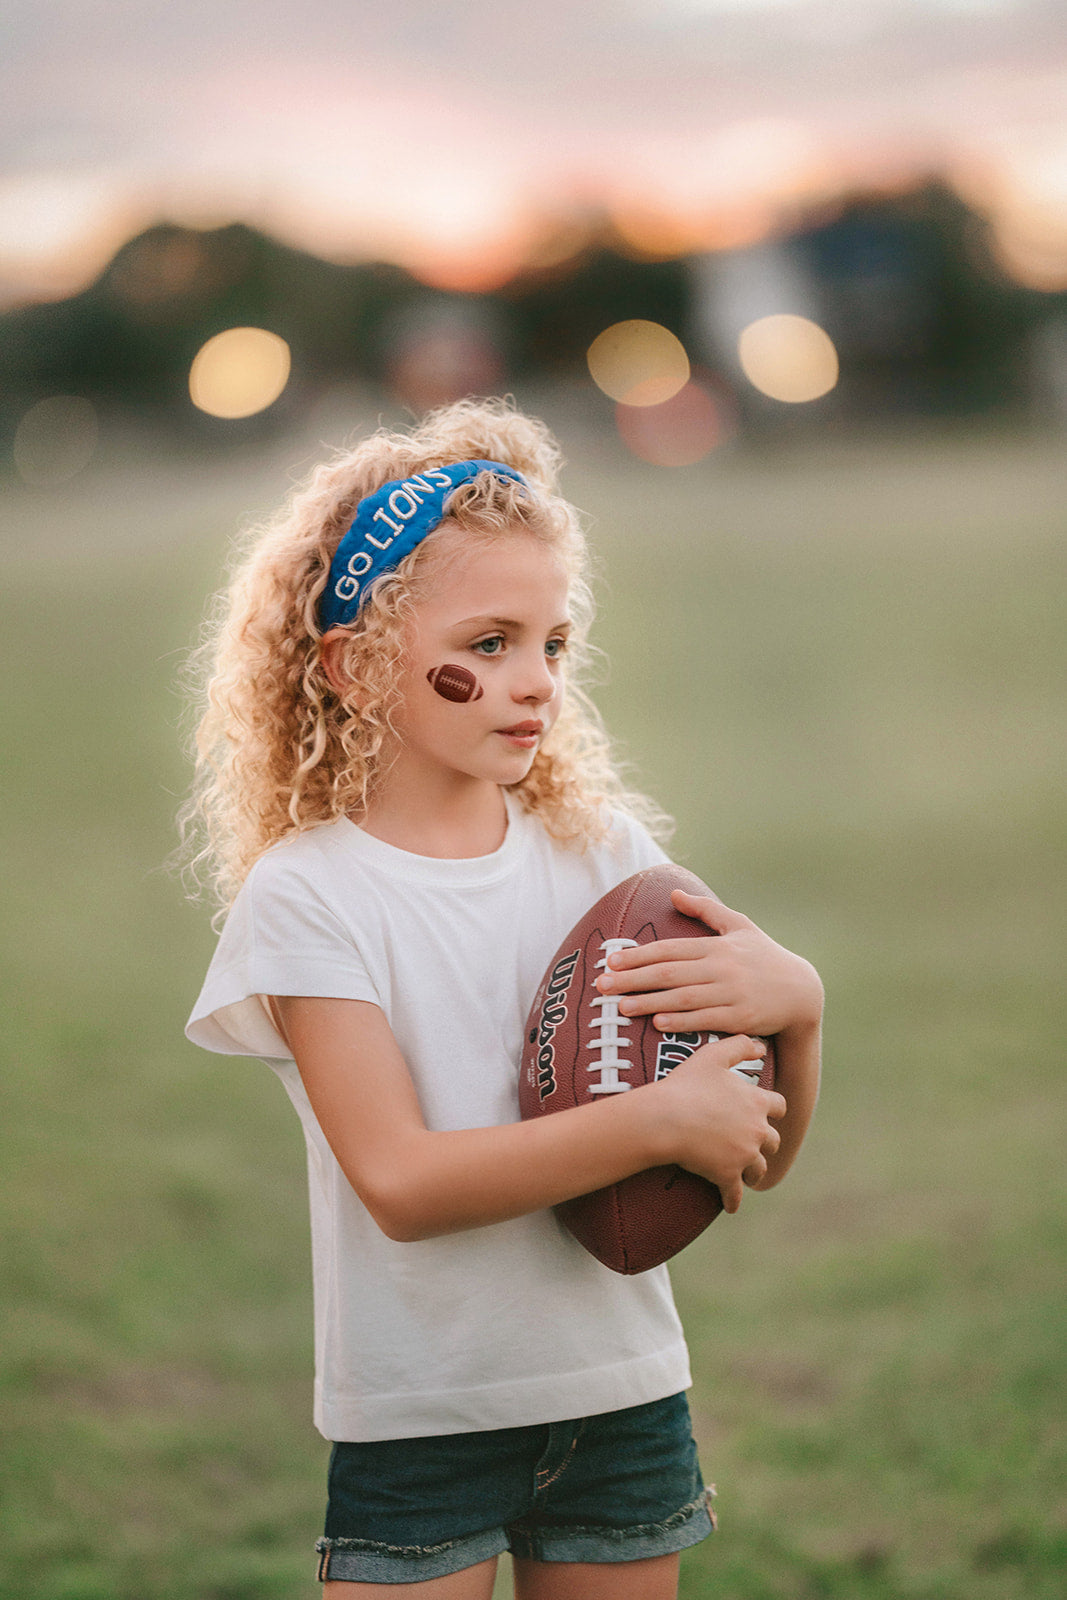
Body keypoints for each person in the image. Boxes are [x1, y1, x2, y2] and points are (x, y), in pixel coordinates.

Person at [182, 397, 822, 1599]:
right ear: (353, 663)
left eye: (551, 644)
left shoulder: (605, 856)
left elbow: (752, 1161)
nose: (533, 683)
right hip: (422, 1415)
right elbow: (405, 1186)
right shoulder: (310, 895)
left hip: (623, 1400)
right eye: (485, 644)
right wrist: (651, 1122)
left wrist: (798, 1011)